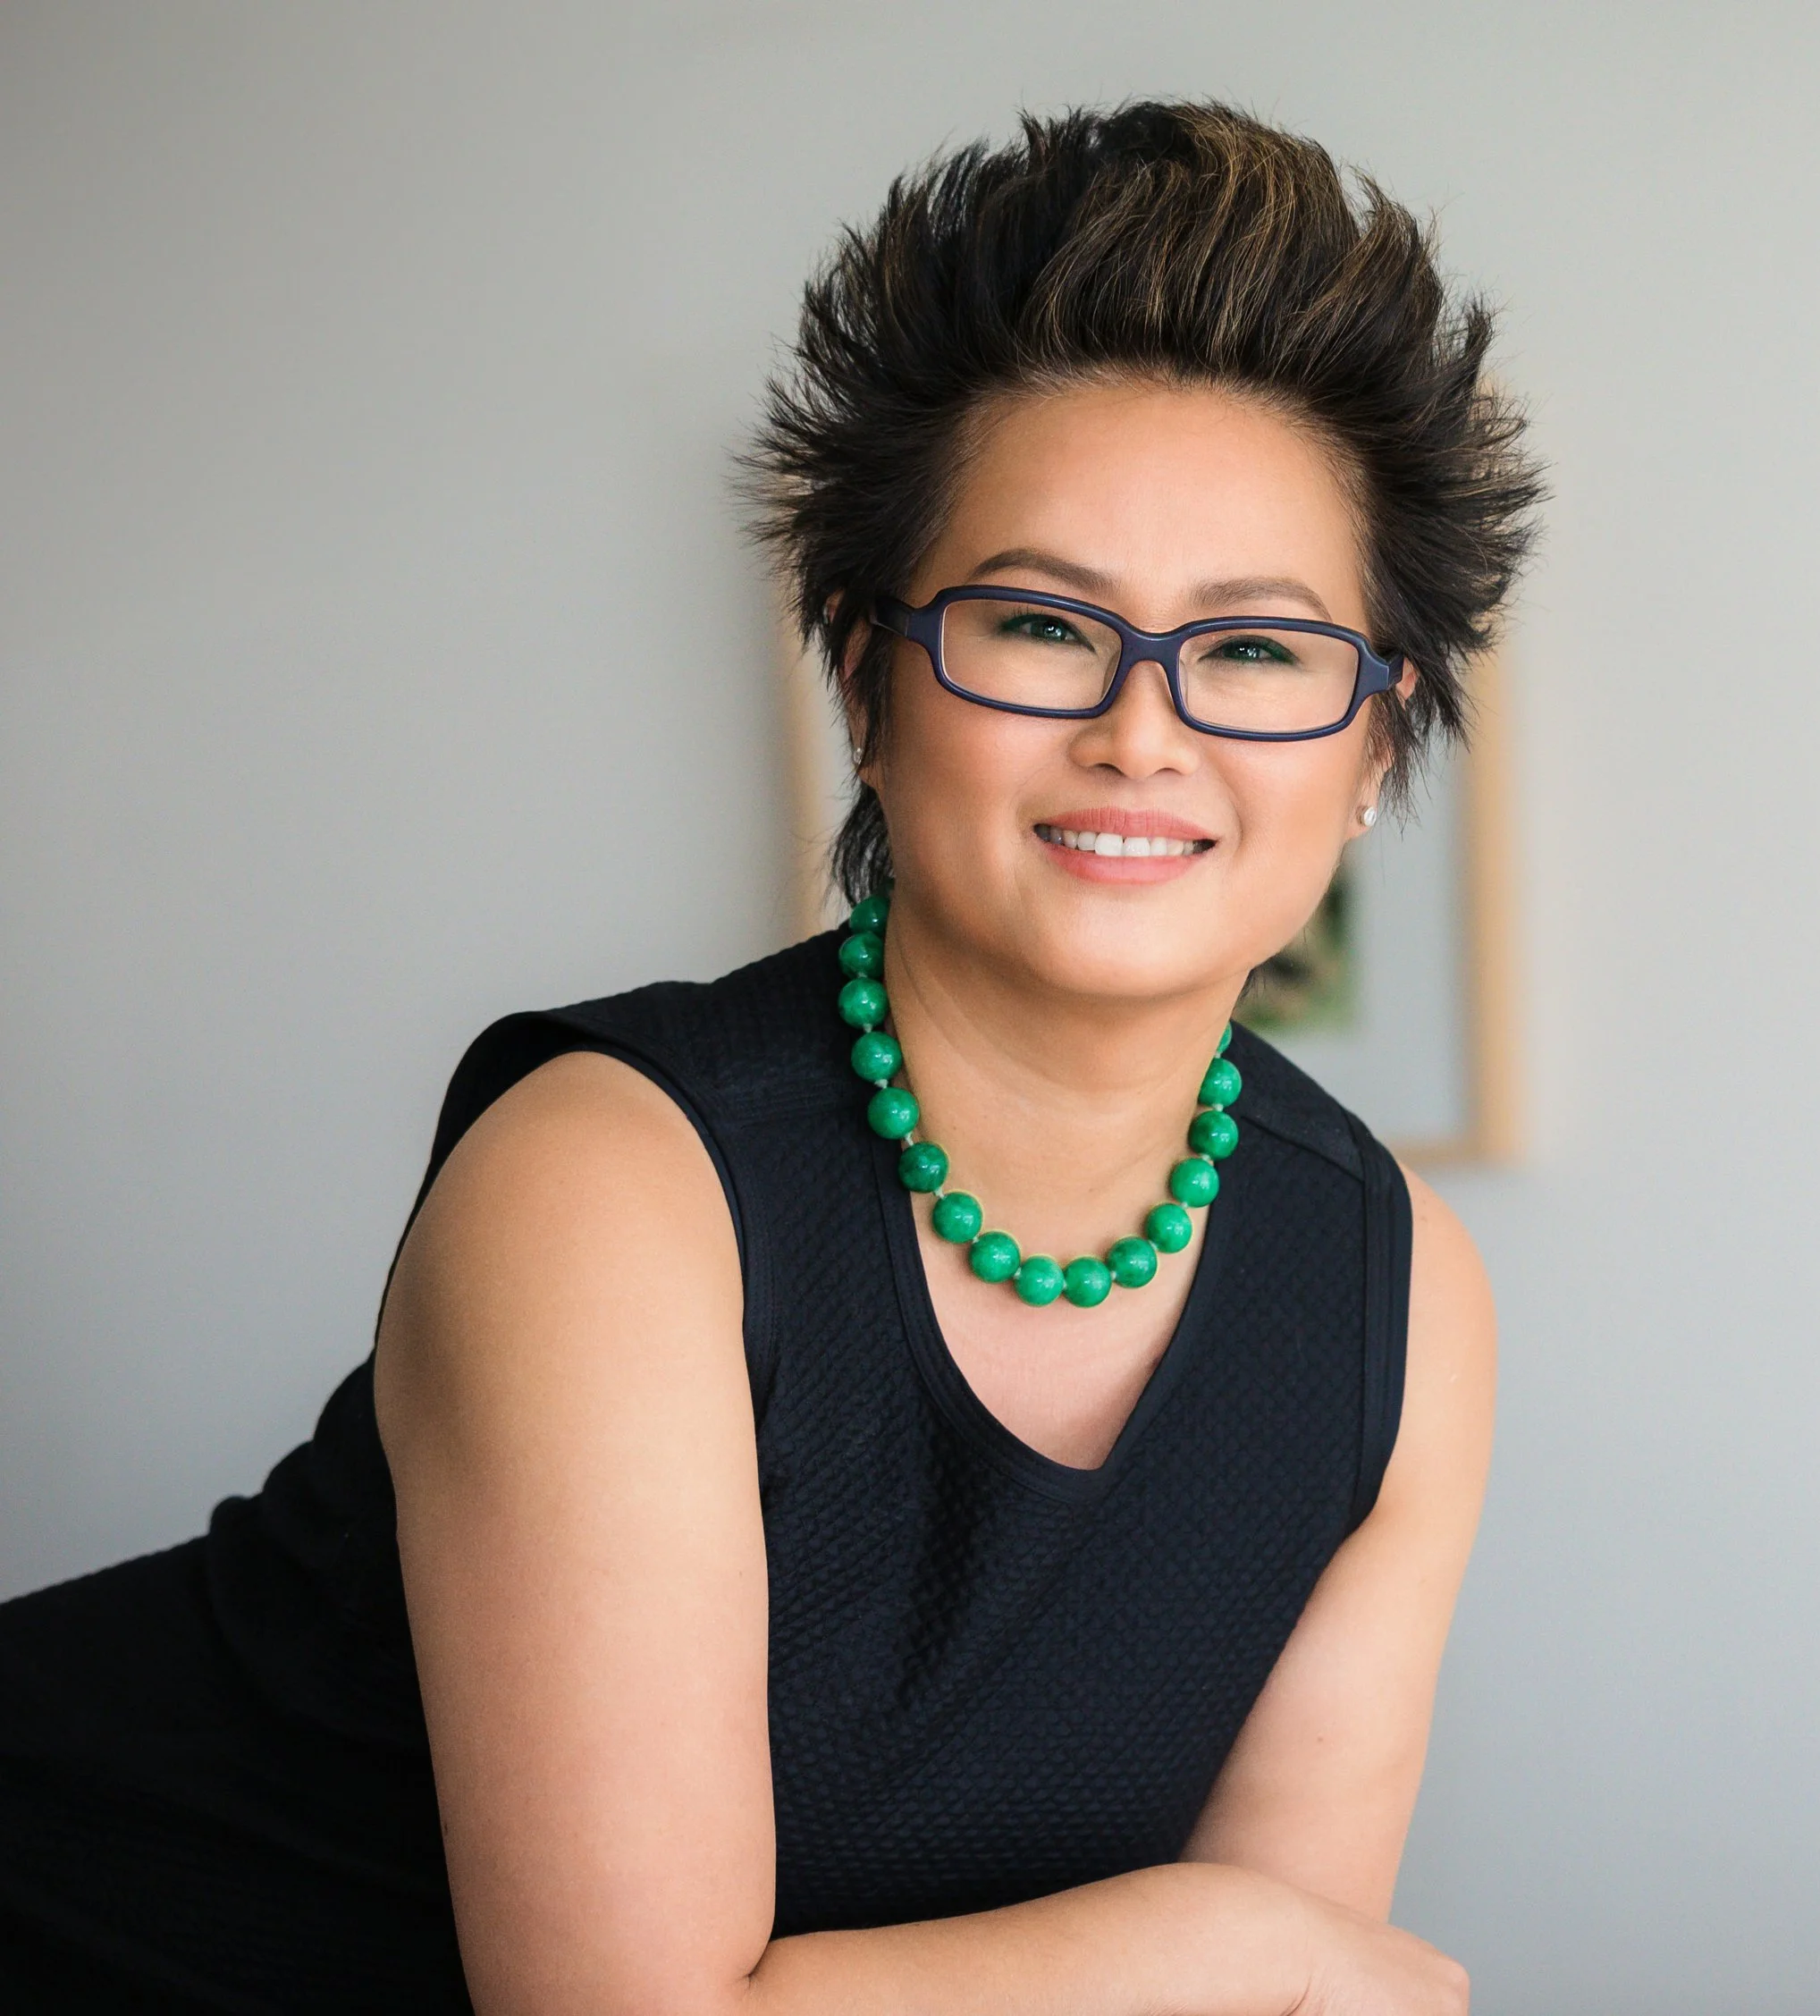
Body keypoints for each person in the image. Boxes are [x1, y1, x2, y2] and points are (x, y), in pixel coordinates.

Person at [0, 100, 1538, 2013]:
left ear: (1376, 745)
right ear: (862, 679)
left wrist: (1250, 1965)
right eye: (1041, 624)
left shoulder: (1391, 1295)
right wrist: (1221, 1940)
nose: (1145, 732)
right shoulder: (613, 1183)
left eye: (1253, 651)